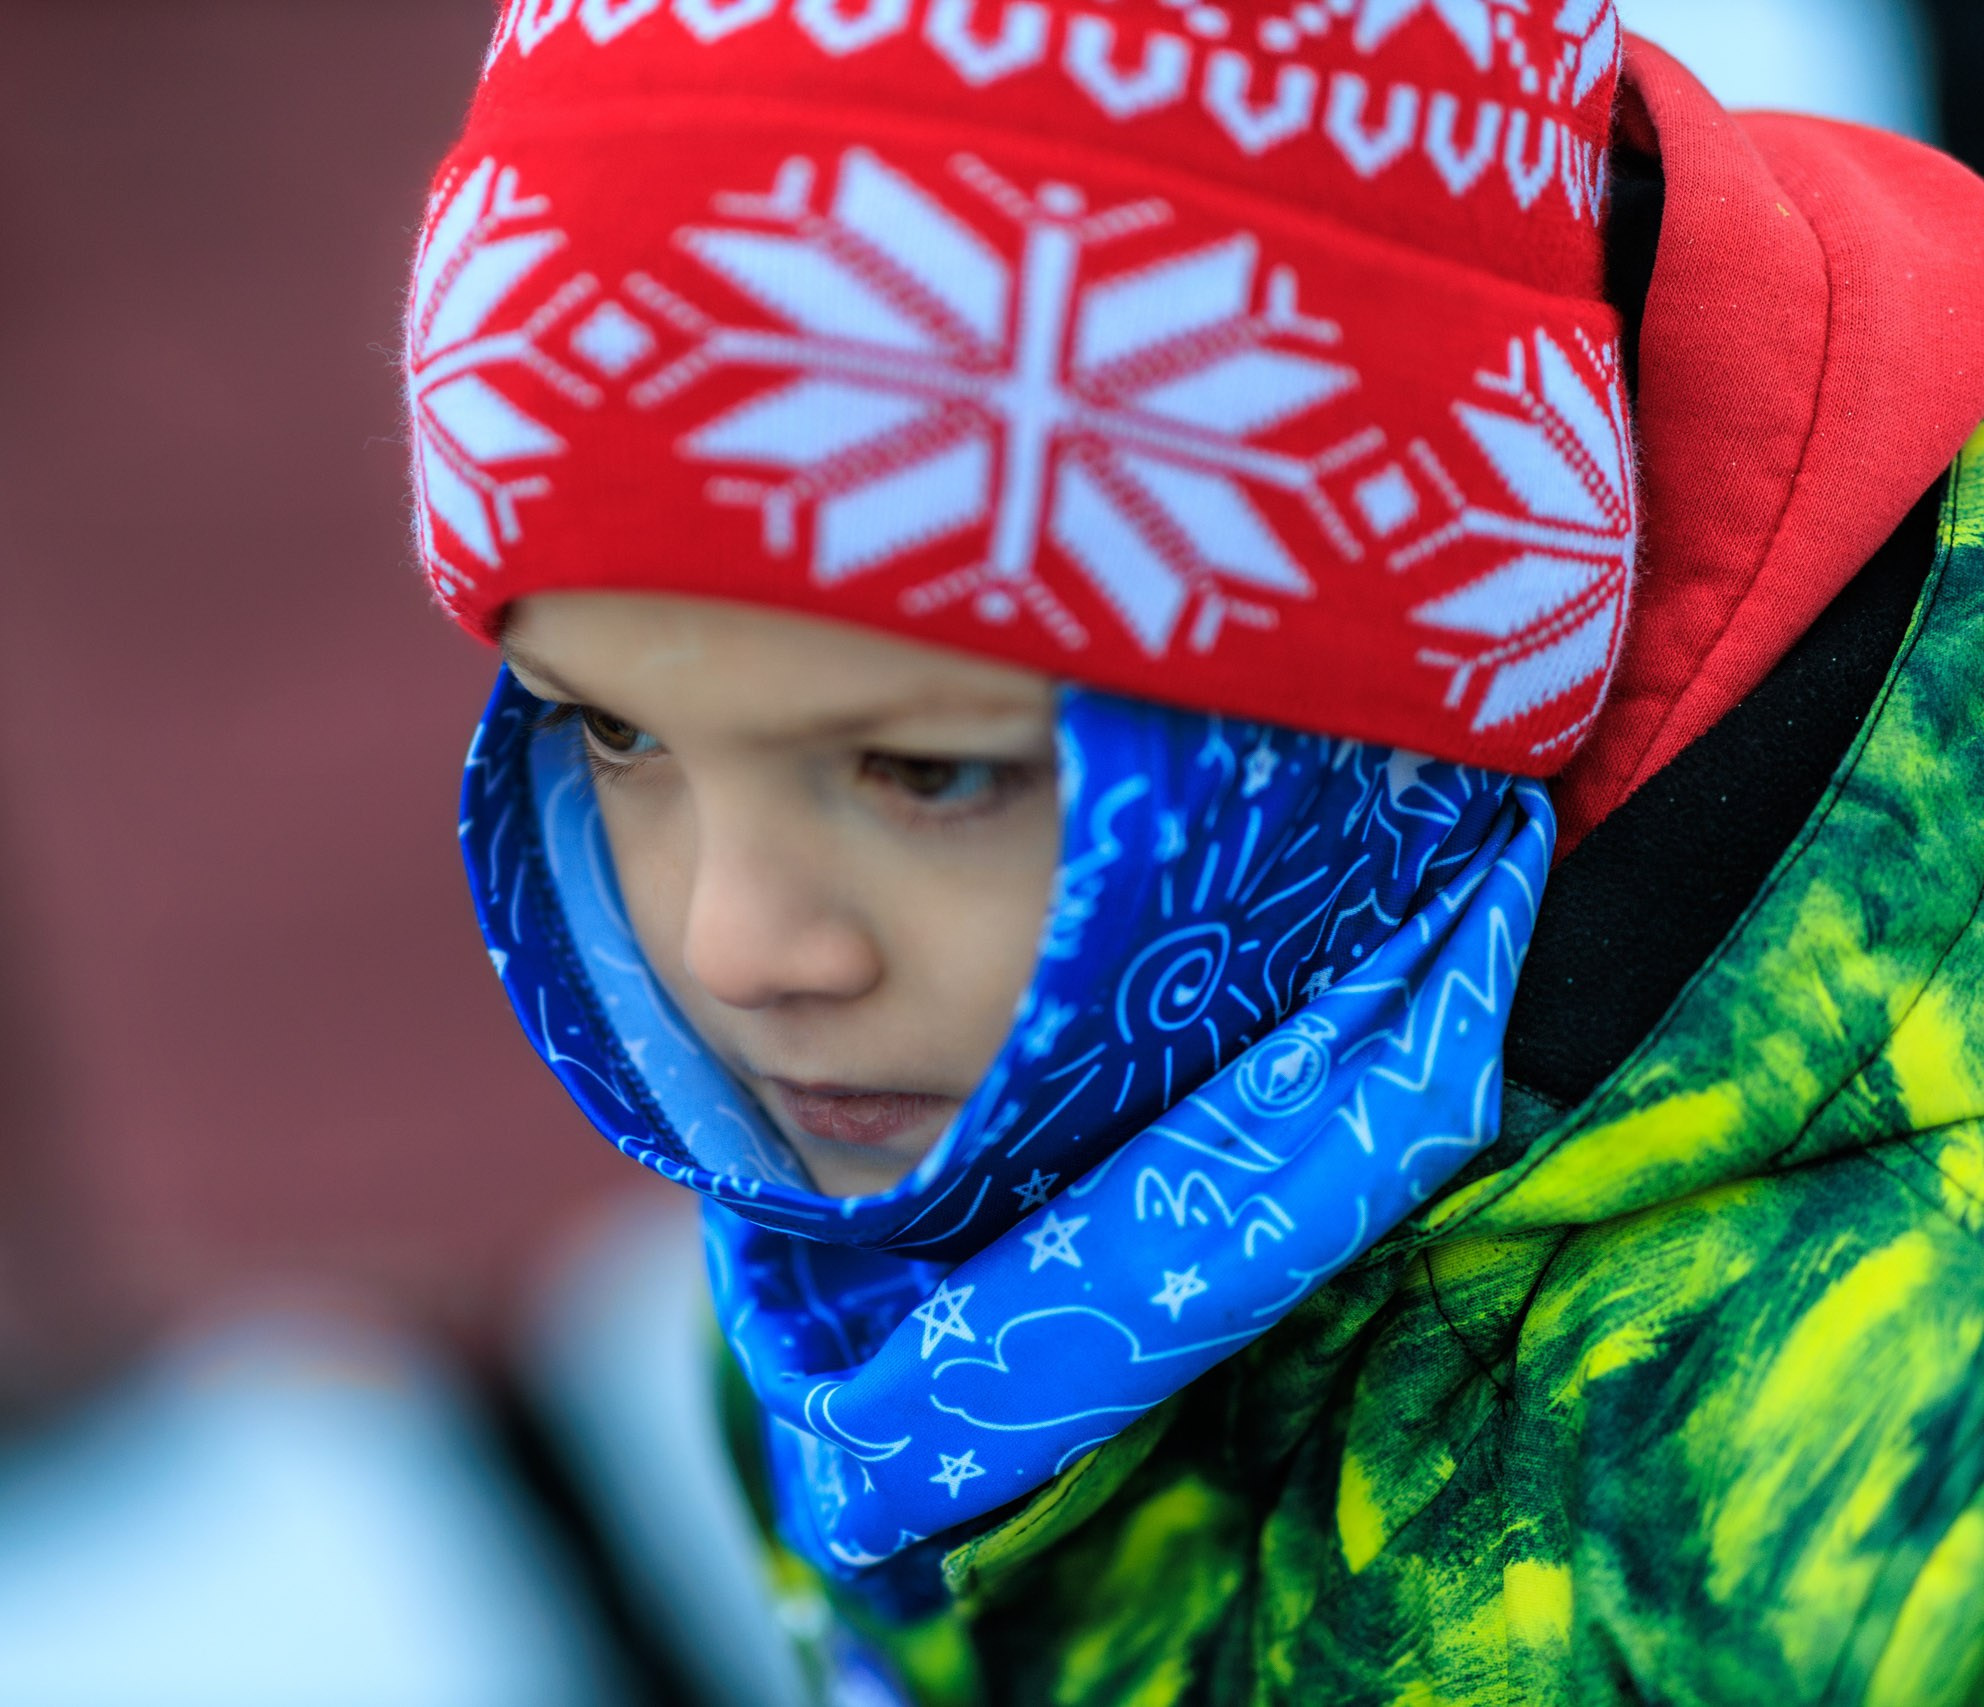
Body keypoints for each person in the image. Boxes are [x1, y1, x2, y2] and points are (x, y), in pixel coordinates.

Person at [405, 6, 1984, 1701]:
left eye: (928, 770)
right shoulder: (901, 1236)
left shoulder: (1864, 1504)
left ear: (1384, 678)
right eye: (616, 731)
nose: (732, 944)